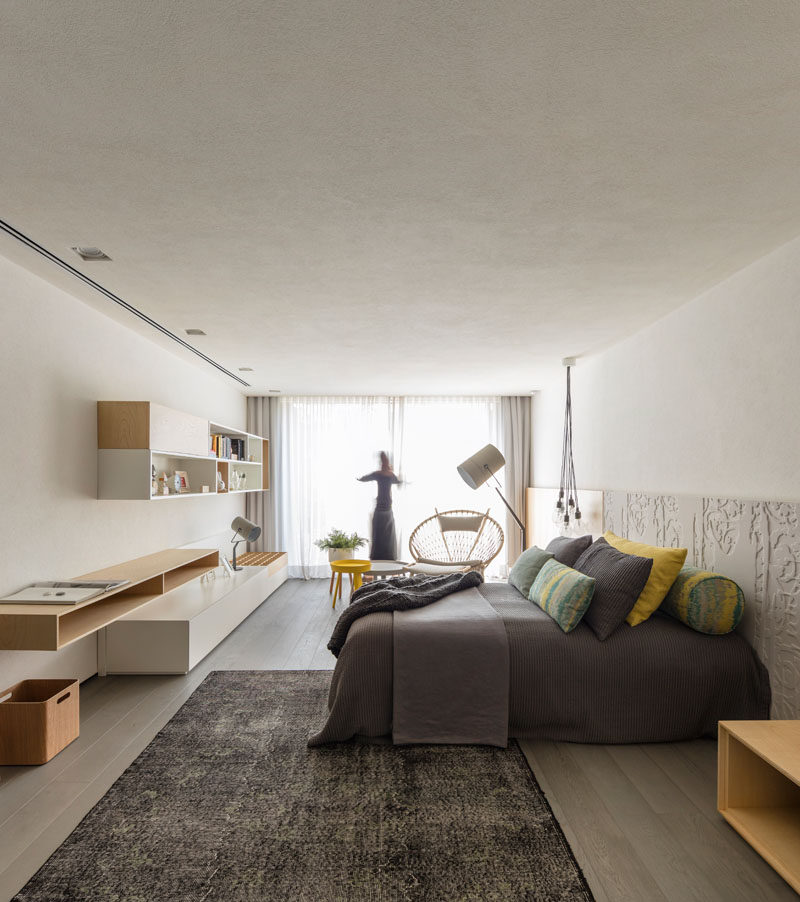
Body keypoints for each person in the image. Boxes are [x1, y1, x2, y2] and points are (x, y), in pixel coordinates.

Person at [357, 452, 401, 560]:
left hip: (387, 510)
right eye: (383, 461)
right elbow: (365, 478)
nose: (384, 463)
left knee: (386, 537)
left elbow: (399, 482)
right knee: (379, 536)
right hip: (381, 509)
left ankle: (388, 559)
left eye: (385, 461)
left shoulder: (390, 475)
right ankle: (378, 559)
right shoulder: (379, 474)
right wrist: (359, 478)